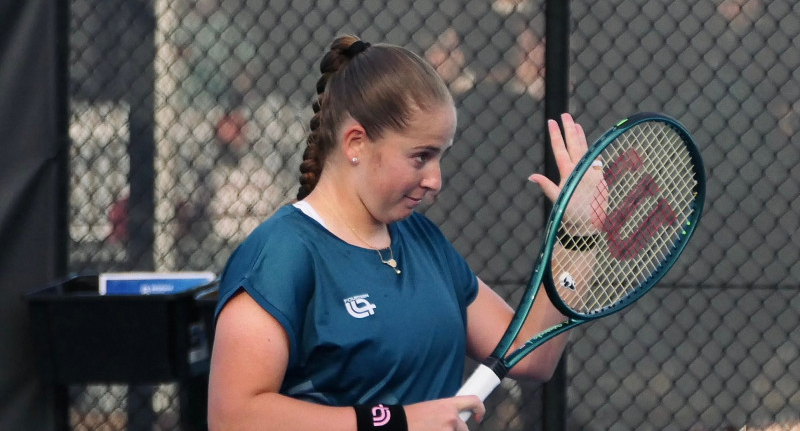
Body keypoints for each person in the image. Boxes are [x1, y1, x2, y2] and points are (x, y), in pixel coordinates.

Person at [208, 35, 597, 431]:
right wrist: (397, 423)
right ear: (356, 143)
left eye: (440, 156)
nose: (435, 180)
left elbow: (530, 354)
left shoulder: (421, 240)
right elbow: (233, 417)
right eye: (420, 157)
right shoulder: (282, 253)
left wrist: (579, 237)